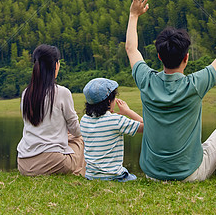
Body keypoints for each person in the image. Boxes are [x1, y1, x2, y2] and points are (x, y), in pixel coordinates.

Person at [125, 0, 216, 181]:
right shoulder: (196, 84)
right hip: (190, 174)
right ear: (186, 58)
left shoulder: (146, 80)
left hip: (152, 175)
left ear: (159, 56)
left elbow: (131, 49)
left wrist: (133, 15)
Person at [16, 44, 85, 176]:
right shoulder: (62, 92)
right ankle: (78, 174)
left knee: (69, 137)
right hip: (53, 162)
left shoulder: (26, 93)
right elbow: (76, 130)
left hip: (24, 164)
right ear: (56, 65)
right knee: (80, 138)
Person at [80, 77, 144, 181]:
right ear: (109, 101)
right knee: (133, 177)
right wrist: (128, 111)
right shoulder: (115, 120)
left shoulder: (84, 120)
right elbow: (146, 128)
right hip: (114, 176)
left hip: (91, 176)